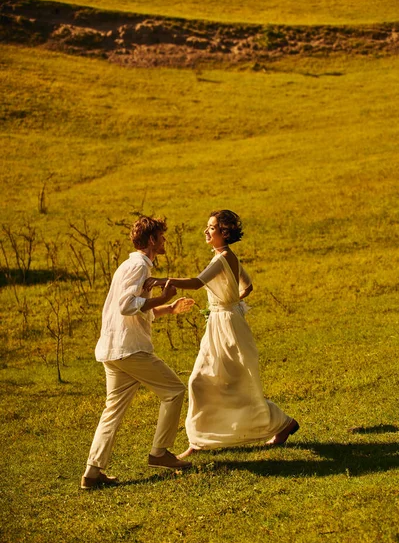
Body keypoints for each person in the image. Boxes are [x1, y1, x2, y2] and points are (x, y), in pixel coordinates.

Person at [145, 210, 299, 458]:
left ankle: (281, 424)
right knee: (202, 380)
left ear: (224, 232)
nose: (206, 231)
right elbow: (247, 286)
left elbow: (197, 283)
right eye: (207, 227)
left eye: (212, 228)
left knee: (228, 382)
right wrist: (228, 303)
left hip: (227, 327)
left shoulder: (223, 257)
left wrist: (160, 280)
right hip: (221, 323)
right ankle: (199, 440)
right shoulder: (223, 257)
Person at [81, 216, 195, 490]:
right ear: (152, 240)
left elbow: (135, 310)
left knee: (113, 411)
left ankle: (92, 473)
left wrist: (167, 308)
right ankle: (160, 453)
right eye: (162, 236)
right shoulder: (137, 265)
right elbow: (126, 305)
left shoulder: (128, 266)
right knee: (175, 391)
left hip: (114, 349)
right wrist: (163, 298)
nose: (165, 240)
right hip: (129, 349)